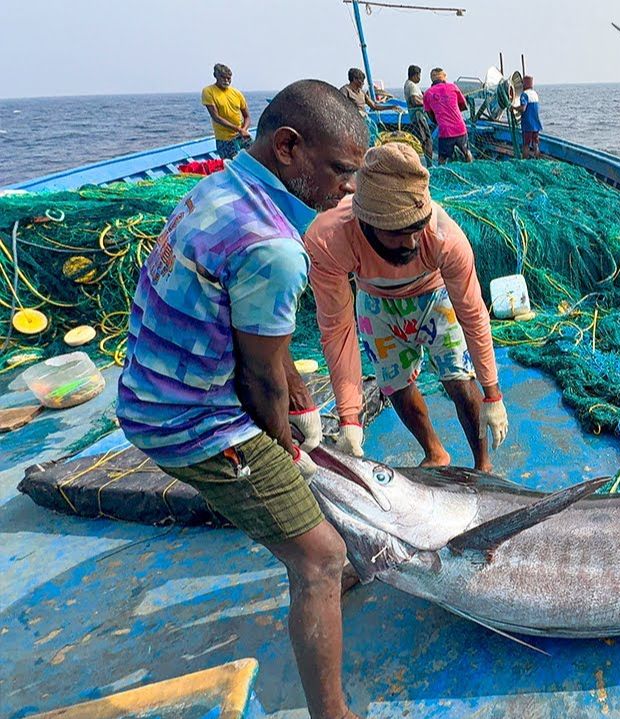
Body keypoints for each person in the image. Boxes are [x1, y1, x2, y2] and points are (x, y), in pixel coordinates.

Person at [117, 80, 368, 719]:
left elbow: (255, 332)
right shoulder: (275, 247)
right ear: (288, 147)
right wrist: (287, 450)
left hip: (147, 386)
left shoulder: (220, 187)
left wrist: (302, 401)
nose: (348, 189)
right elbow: (259, 380)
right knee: (321, 557)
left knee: (308, 507)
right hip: (191, 421)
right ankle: (332, 712)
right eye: (340, 170)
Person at [304, 143, 508, 470]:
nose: (412, 243)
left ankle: (483, 465)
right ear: (367, 222)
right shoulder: (328, 239)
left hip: (433, 293)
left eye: (417, 228)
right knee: (395, 385)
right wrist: (349, 417)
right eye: (399, 233)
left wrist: (493, 394)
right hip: (376, 302)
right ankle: (435, 451)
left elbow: (473, 315)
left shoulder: (446, 238)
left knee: (458, 378)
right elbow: (337, 330)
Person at [423, 67, 472, 163]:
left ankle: (441, 171)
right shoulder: (453, 87)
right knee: (467, 153)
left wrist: (440, 120)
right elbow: (464, 106)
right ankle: (471, 167)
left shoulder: (428, 93)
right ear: (444, 77)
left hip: (445, 130)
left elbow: (430, 115)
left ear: (432, 78)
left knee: (442, 158)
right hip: (460, 128)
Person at [202, 64, 251, 159]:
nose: (226, 80)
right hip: (224, 139)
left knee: (257, 158)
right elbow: (216, 117)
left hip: (241, 135)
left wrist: (244, 129)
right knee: (232, 163)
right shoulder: (208, 91)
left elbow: (247, 116)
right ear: (215, 76)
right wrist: (239, 129)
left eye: (228, 78)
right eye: (223, 77)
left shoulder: (236, 93)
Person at [403, 64, 433, 162]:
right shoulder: (412, 85)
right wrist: (428, 103)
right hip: (418, 116)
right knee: (427, 139)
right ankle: (429, 163)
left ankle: (426, 160)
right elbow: (414, 101)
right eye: (419, 75)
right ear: (415, 75)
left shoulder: (409, 84)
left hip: (416, 116)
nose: (420, 78)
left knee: (423, 139)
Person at [517, 74, 542, 158]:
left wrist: (514, 108)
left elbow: (523, 108)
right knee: (535, 143)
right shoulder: (535, 94)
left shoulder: (524, 94)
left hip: (528, 124)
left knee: (526, 144)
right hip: (536, 123)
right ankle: (538, 159)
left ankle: (524, 161)